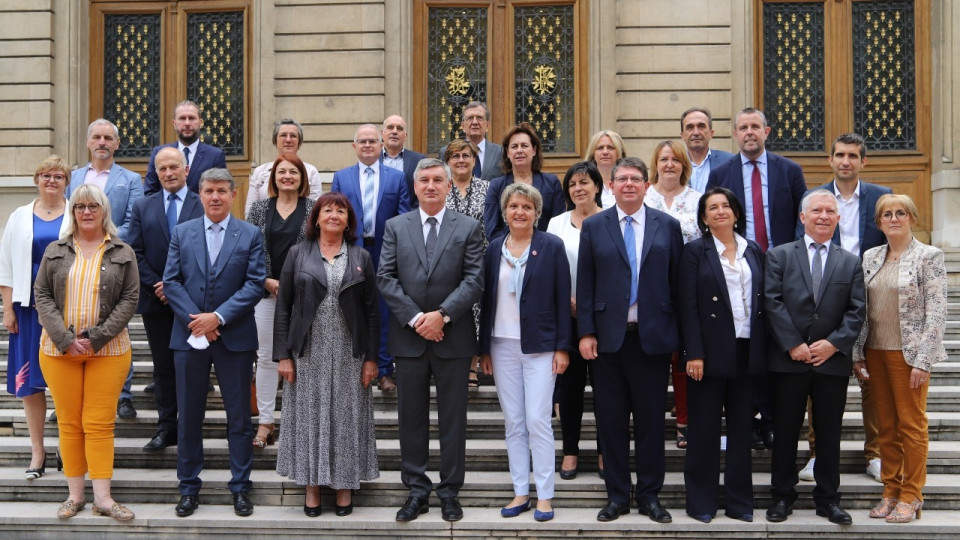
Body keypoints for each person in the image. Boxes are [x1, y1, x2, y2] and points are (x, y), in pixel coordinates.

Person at [377, 158, 484, 523]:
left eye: (438, 179)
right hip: (409, 339)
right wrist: (419, 319)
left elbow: (474, 280)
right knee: (411, 419)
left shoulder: (468, 227)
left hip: (453, 339)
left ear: (448, 185)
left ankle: (450, 491)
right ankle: (417, 490)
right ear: (416, 186)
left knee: (453, 419)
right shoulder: (395, 226)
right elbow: (386, 278)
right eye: (424, 180)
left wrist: (442, 315)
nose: (431, 185)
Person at [577, 156, 683, 523]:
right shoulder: (594, 226)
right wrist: (586, 332)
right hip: (607, 342)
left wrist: (679, 338)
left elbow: (677, 284)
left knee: (652, 423)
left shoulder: (667, 226)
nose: (628, 185)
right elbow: (585, 283)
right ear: (611, 185)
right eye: (621, 179)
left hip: (651, 340)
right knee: (611, 422)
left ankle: (650, 495)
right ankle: (618, 495)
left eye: (635, 179)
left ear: (646, 184)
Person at [163, 168, 265, 518]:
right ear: (200, 194)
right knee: (189, 416)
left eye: (222, 190)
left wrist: (217, 318)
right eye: (209, 191)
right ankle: (189, 488)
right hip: (188, 337)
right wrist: (198, 321)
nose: (216, 197)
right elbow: (171, 281)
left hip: (234, 338)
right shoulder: (182, 232)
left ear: (233, 194)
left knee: (239, 418)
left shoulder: (250, 234)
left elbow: (254, 284)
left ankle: (240, 488)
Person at [34, 184, 139, 521]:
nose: (87, 212)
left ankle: (103, 499)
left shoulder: (122, 251)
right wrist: (65, 340)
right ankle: (75, 496)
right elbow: (43, 296)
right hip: (58, 350)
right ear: (73, 211)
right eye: (80, 206)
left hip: (108, 352)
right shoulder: (55, 250)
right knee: (69, 423)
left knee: (99, 424)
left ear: (104, 210)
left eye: (93, 205)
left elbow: (129, 300)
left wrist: (96, 338)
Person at [274, 193, 380, 517]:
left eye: (341, 210)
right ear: (316, 218)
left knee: (346, 418)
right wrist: (284, 356)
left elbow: (373, 311)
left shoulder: (361, 255)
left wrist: (372, 358)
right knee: (309, 417)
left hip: (350, 351)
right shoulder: (297, 254)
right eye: (328, 210)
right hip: (307, 350)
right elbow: (283, 308)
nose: (334, 214)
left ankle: (345, 488)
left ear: (348, 221)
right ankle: (312, 488)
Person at [763, 189, 865, 526]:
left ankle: (828, 499)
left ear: (838, 219)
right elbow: (772, 301)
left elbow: (857, 310)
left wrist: (834, 344)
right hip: (788, 361)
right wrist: (793, 343)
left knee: (829, 433)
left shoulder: (850, 261)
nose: (823, 216)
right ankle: (781, 497)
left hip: (830, 363)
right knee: (786, 431)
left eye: (830, 211)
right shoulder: (779, 256)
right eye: (816, 210)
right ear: (803, 217)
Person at [707, 107, 807, 450]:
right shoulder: (721, 172)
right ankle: (744, 420)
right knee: (742, 344)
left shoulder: (790, 171)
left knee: (772, 345)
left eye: (755, 127)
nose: (749, 132)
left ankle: (771, 420)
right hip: (737, 266)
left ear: (767, 131)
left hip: (779, 268)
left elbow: (800, 218)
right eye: (743, 127)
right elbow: (712, 216)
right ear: (734, 134)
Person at [795, 133, 892, 483]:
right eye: (839, 155)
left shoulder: (881, 198)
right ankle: (817, 454)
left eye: (853, 155)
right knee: (817, 383)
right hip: (826, 303)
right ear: (830, 160)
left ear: (863, 161)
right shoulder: (815, 199)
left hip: (874, 302)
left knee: (873, 383)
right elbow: (802, 249)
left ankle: (876, 453)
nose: (846, 161)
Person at [479, 182, 571, 522]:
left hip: (541, 346)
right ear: (504, 212)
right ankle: (521, 491)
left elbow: (563, 298)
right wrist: (483, 347)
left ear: (537, 213)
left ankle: (545, 495)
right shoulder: (493, 249)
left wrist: (563, 347)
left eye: (527, 207)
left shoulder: (551, 246)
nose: (520, 212)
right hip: (501, 344)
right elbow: (486, 301)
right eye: (514, 206)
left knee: (537, 420)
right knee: (514, 422)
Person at [853, 194, 946, 523]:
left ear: (913, 218)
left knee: (911, 425)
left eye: (901, 213)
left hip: (909, 355)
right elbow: (860, 308)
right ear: (878, 223)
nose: (894, 219)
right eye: (887, 214)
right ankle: (891, 490)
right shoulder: (870, 256)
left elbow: (936, 313)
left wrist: (924, 359)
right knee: (886, 427)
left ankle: (912, 494)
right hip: (874, 352)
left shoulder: (928, 256)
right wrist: (856, 352)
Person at [678, 187, 766, 523]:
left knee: (742, 430)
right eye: (712, 207)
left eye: (725, 206)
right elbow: (687, 305)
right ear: (703, 217)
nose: (719, 212)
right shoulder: (694, 252)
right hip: (708, 355)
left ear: (736, 213)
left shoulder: (753, 250)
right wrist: (693, 352)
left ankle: (740, 502)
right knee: (703, 430)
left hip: (747, 351)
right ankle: (701, 502)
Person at [128, 147, 204, 452]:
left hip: (193, 303)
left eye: (174, 167)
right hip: (156, 301)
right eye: (162, 169)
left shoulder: (203, 204)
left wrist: (177, 289)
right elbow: (134, 251)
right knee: (162, 367)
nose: (169, 173)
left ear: (186, 171)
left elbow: (209, 252)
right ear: (156, 174)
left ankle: (190, 428)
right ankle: (166, 426)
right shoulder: (143, 206)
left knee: (192, 366)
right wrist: (159, 285)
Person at [67, 118, 144, 419]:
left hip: (113, 257)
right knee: (73, 320)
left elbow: (133, 222)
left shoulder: (131, 179)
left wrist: (103, 238)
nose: (102, 142)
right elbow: (66, 218)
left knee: (116, 324)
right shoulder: (73, 178)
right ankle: (70, 395)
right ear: (88, 142)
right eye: (96, 137)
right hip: (77, 259)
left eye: (108, 138)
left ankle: (123, 394)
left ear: (116, 144)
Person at [0, 156, 70, 480]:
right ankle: (38, 451)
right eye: (46, 175)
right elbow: (6, 265)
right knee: (30, 385)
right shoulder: (18, 216)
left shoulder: (76, 213)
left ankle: (67, 447)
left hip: (67, 310)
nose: (51, 180)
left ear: (67, 181)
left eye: (58, 175)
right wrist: (8, 307)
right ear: (36, 179)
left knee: (67, 383)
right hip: (28, 310)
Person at [331, 123, 410, 393]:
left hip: (385, 250)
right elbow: (335, 214)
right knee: (352, 306)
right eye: (362, 141)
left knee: (384, 309)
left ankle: (385, 371)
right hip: (353, 248)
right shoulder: (341, 177)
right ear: (354, 146)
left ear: (381, 146)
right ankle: (355, 367)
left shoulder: (396, 178)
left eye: (372, 141)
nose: (367, 145)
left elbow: (402, 217)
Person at [246, 156, 315, 449]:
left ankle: (298, 423)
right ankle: (265, 423)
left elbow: (321, 249)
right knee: (265, 359)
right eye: (281, 172)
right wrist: (264, 279)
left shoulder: (314, 210)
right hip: (267, 294)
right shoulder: (259, 209)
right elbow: (247, 250)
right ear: (273, 178)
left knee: (303, 358)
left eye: (293, 172)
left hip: (305, 296)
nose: (287, 176)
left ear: (302, 178)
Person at [547, 161, 604, 480]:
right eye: (572, 184)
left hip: (604, 319)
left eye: (584, 182)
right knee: (568, 389)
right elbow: (548, 268)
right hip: (566, 317)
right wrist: (564, 300)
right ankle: (570, 451)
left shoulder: (612, 220)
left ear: (597, 186)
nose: (579, 188)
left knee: (606, 391)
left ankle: (604, 451)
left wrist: (593, 306)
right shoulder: (556, 223)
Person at [645, 140, 702, 448]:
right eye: (664, 158)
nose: (669, 164)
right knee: (652, 361)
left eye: (675, 160)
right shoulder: (643, 196)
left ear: (684, 165)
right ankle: (650, 423)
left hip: (688, 289)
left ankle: (684, 421)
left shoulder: (697, 200)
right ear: (656, 163)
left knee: (683, 358)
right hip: (648, 291)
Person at [444, 139, 491, 387]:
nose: (461, 160)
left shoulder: (488, 188)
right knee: (451, 312)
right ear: (448, 161)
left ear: (474, 160)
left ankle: (471, 368)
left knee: (476, 313)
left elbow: (493, 226)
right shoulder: (440, 188)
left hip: (479, 261)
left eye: (466, 155)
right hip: (447, 263)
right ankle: (452, 364)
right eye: (455, 156)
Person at [484, 123, 566, 241]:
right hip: (507, 253)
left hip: (544, 250)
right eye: (514, 146)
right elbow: (491, 229)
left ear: (534, 150)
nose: (519, 150)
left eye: (524, 145)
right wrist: (513, 247)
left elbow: (558, 225)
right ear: (507, 152)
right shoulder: (496, 185)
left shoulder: (551, 183)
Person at [144, 100, 227, 195]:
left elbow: (220, 192)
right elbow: (150, 192)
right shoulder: (159, 153)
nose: (187, 123)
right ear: (174, 123)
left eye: (191, 118)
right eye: (182, 118)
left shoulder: (214, 156)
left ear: (200, 122)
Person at [244, 118, 323, 215]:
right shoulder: (260, 172)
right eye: (283, 135)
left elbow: (314, 211)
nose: (288, 140)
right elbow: (250, 211)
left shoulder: (311, 172)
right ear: (275, 141)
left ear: (299, 142)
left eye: (293, 136)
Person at [438, 101, 504, 181]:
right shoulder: (446, 152)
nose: (475, 122)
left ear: (487, 125)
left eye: (479, 118)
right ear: (463, 126)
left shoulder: (500, 152)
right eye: (470, 118)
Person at [679, 107, 734, 194]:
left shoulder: (729, 162)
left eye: (701, 126)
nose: (696, 132)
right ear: (682, 135)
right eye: (690, 127)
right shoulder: (674, 164)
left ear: (711, 133)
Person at [381, 114, 426, 207]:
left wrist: (410, 217)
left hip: (408, 218)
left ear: (405, 136)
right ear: (382, 133)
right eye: (390, 127)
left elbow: (423, 192)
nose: (394, 131)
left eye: (399, 129)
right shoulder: (372, 160)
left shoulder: (419, 160)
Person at [583, 130, 627, 209]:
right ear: (593, 154)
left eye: (610, 148)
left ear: (619, 152)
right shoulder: (584, 182)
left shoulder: (629, 181)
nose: (605, 152)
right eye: (600, 148)